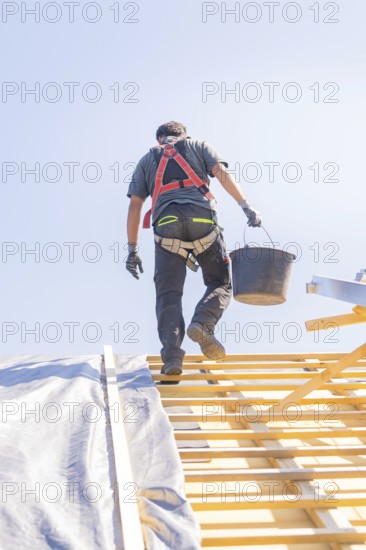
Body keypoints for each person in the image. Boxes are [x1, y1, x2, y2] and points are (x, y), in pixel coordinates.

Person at [126, 121, 261, 382]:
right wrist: (246, 206)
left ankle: (173, 357)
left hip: (166, 230)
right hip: (203, 224)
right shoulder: (198, 145)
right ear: (183, 136)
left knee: (168, 294)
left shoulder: (147, 160)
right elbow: (221, 174)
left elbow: (135, 207)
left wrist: (132, 250)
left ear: (159, 140)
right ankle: (203, 322)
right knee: (220, 283)